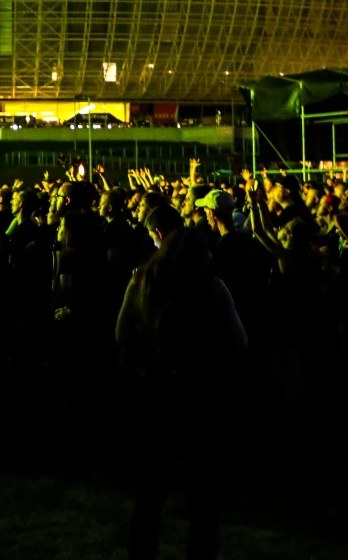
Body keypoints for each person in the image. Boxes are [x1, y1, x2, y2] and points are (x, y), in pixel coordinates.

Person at [116, 227, 246, 560]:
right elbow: (239, 340)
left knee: (150, 492)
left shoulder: (141, 281)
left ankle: (141, 552)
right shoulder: (212, 287)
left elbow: (121, 334)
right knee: (203, 495)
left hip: (155, 395)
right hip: (200, 396)